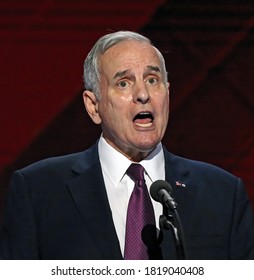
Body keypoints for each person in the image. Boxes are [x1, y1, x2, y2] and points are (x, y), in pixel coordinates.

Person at [0, 31, 254, 260]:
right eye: (123, 83)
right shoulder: (38, 191)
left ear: (167, 93)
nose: (143, 94)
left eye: (153, 80)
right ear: (93, 106)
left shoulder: (223, 193)